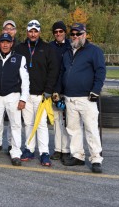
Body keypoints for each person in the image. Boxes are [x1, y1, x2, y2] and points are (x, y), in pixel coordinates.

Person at [57, 23, 105, 173]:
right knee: (73, 129)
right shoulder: (67, 52)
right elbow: (62, 73)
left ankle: (96, 158)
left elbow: (100, 71)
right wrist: (58, 91)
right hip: (69, 97)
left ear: (85, 34)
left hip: (87, 98)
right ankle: (77, 155)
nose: (75, 36)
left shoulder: (94, 51)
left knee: (91, 129)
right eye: (73, 34)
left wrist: (96, 90)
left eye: (78, 34)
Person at [0, 33, 30, 166]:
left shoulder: (20, 58)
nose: (5, 44)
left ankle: (15, 153)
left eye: (7, 42)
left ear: (11, 43)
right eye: (2, 42)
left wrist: (23, 99)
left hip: (13, 96)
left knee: (15, 125)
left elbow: (25, 81)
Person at [17, 20, 59, 167]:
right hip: (25, 94)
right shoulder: (20, 48)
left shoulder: (47, 48)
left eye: (35, 31)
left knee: (40, 124)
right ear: (27, 32)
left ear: (39, 32)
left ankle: (44, 152)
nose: (33, 34)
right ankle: (29, 148)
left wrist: (48, 90)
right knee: (28, 123)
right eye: (30, 31)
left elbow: (53, 70)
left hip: (41, 95)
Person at [0, 20, 20, 155]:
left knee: (13, 122)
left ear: (15, 31)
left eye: (11, 28)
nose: (8, 30)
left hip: (13, 90)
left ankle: (11, 145)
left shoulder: (20, 47)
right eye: (6, 28)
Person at [49, 21, 71, 162]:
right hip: (55, 89)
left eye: (60, 31)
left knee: (69, 121)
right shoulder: (50, 47)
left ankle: (67, 150)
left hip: (69, 89)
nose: (58, 34)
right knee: (57, 121)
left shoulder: (71, 45)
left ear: (65, 32)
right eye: (56, 32)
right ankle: (58, 149)